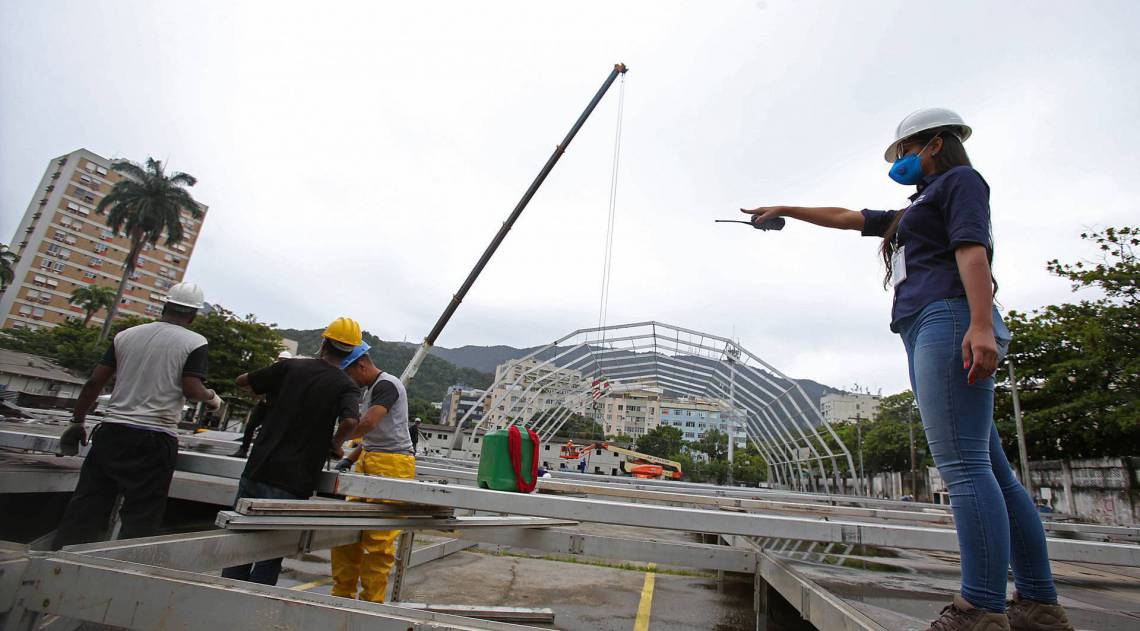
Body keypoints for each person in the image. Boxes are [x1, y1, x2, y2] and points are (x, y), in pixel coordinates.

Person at [741, 108, 1072, 631]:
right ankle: (1037, 604)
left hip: (949, 316)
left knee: (963, 469)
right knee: (996, 475)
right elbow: (850, 217)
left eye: (904, 153)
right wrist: (787, 208)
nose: (898, 163)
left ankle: (980, 608)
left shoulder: (960, 181)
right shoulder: (914, 208)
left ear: (935, 143)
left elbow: (972, 251)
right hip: (929, 322)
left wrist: (980, 324)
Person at [53, 282, 221, 548]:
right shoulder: (195, 342)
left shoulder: (126, 335)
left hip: (112, 432)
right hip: (155, 438)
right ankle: (122, 572)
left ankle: (57, 564)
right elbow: (191, 388)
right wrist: (211, 398)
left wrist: (77, 421)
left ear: (164, 306)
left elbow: (94, 382)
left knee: (87, 505)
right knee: (141, 515)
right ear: (193, 315)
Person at [220, 317, 362, 585]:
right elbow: (351, 421)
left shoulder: (290, 368)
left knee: (237, 545)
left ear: (323, 342)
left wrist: (264, 389)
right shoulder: (346, 385)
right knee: (270, 553)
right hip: (293, 481)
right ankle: (254, 610)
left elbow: (242, 380)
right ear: (352, 352)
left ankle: (226, 595)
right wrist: (335, 444)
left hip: (258, 468)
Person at [330, 343, 416, 603]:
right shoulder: (370, 389)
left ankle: (371, 603)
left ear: (362, 365)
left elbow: (369, 423)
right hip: (371, 459)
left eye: (349, 374)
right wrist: (350, 458)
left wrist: (335, 441)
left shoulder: (386, 385)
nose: (349, 381)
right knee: (348, 532)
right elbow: (370, 437)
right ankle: (341, 596)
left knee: (378, 540)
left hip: (393, 464)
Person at [230, 350, 293, 459]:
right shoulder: (272, 371)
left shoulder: (290, 376)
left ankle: (259, 453)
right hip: (264, 405)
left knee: (268, 431)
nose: (282, 363)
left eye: (284, 361)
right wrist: (258, 395)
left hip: (277, 407)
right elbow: (256, 385)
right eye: (281, 360)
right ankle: (244, 449)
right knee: (251, 426)